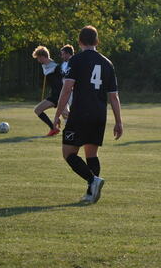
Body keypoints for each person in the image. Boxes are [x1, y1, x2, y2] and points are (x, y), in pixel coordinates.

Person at [53, 26, 123, 204]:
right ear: (97, 41)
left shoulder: (76, 60)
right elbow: (113, 96)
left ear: (79, 41)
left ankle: (93, 181)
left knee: (68, 153)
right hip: (99, 114)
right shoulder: (108, 63)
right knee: (91, 154)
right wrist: (118, 122)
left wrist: (57, 114)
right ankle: (91, 193)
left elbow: (67, 88)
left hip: (80, 114)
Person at [32, 45, 64, 136]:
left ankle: (54, 128)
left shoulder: (57, 67)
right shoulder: (46, 67)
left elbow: (63, 83)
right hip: (54, 95)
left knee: (38, 110)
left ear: (43, 57)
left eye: (38, 58)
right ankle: (53, 128)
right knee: (38, 110)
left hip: (58, 96)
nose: (38, 60)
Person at [59, 44, 75, 119]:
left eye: (63, 54)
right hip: (64, 91)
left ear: (68, 54)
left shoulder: (75, 63)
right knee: (63, 111)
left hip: (73, 92)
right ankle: (68, 126)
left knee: (74, 110)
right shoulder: (63, 64)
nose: (62, 56)